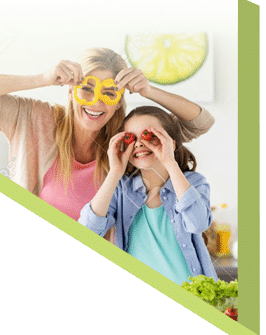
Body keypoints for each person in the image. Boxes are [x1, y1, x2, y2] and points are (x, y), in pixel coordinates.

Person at [0, 47, 215, 223]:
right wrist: (43, 78)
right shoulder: (36, 119)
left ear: (118, 100)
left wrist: (149, 90)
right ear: (71, 91)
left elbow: (200, 123)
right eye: (87, 90)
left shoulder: (123, 140)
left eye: (109, 93)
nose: (96, 103)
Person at [78, 106, 218, 284]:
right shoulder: (121, 189)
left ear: (171, 142)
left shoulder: (194, 182)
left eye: (149, 135)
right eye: (131, 138)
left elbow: (197, 223)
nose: (138, 143)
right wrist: (114, 172)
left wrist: (169, 161)